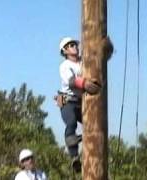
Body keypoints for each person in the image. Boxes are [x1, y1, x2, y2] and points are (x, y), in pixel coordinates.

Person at [56, 37, 101, 172]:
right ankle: (74, 157)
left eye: (74, 44)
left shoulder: (83, 62)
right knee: (71, 124)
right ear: (65, 51)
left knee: (92, 125)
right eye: (70, 45)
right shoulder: (65, 66)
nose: (74, 46)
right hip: (68, 101)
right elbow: (71, 81)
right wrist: (85, 84)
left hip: (82, 102)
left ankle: (95, 155)